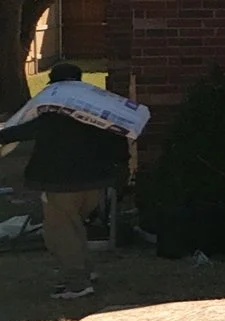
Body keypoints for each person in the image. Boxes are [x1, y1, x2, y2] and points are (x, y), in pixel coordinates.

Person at [0, 64, 136, 298]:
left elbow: (19, 132)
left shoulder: (54, 116)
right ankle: (85, 271)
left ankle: (77, 282)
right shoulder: (97, 113)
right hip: (95, 182)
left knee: (59, 233)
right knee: (75, 226)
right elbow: (119, 141)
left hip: (61, 183)